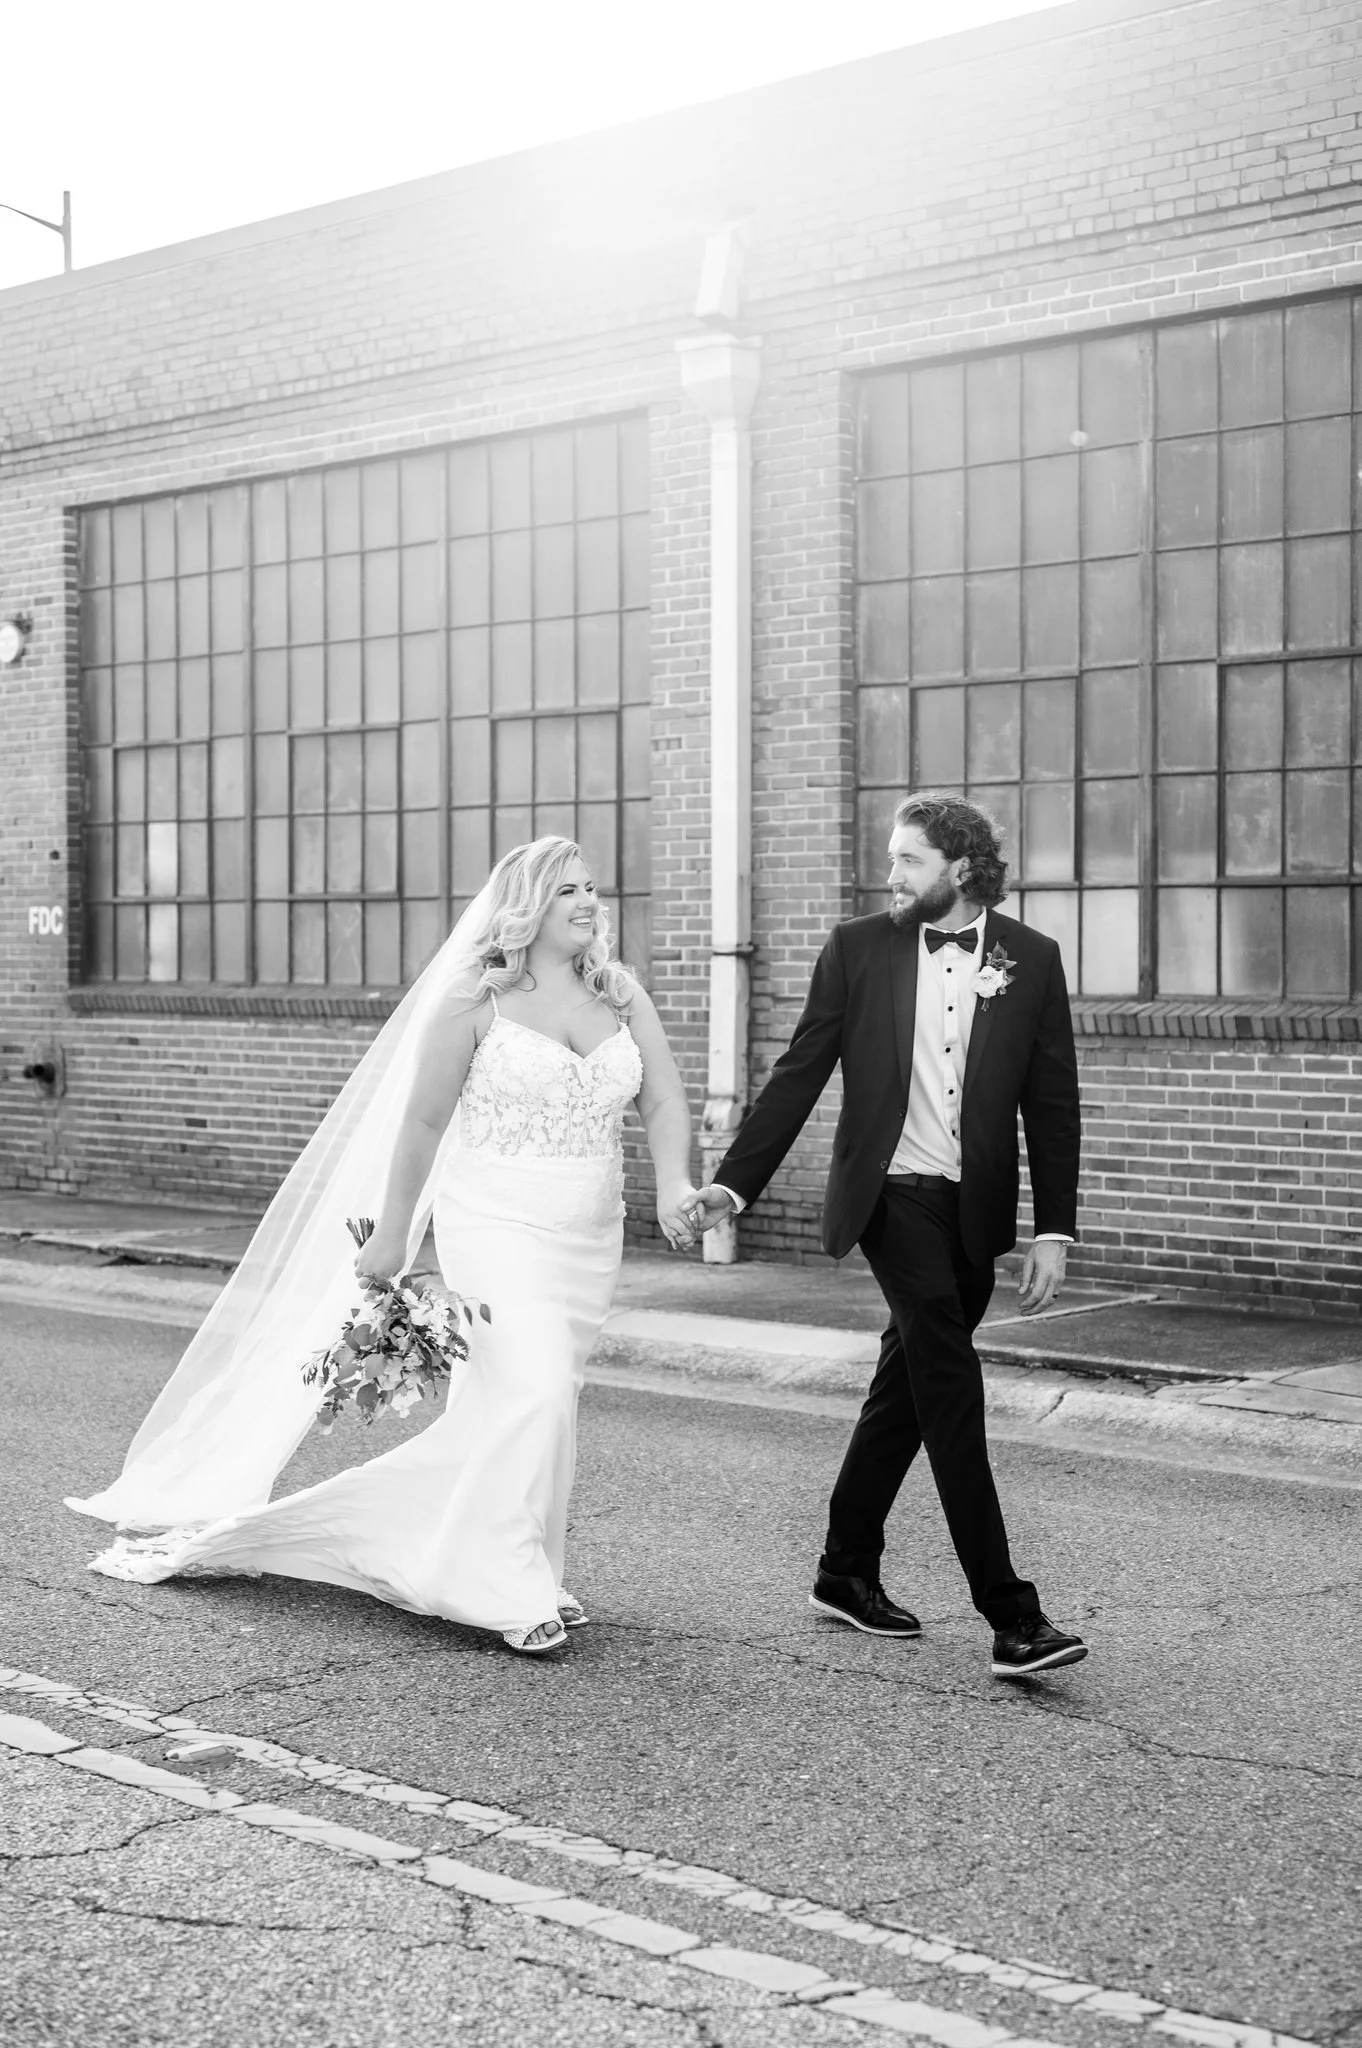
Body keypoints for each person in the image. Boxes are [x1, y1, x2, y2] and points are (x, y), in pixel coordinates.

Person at [68, 838, 699, 1656]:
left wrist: (680, 1185)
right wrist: (395, 1234)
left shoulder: (618, 993)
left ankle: (532, 1564)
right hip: (497, 1226)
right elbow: (424, 1124)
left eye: (591, 889)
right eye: (565, 891)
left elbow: (665, 1101)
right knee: (536, 1392)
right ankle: (500, 1587)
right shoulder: (478, 998)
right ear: (525, 908)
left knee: (537, 1402)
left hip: (588, 1232)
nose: (587, 903)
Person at [688, 792, 1088, 1680]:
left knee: (901, 1393)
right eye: (893, 858)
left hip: (974, 1212)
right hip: (889, 1201)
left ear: (962, 870)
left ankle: (844, 1572)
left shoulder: (1032, 958)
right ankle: (1012, 1616)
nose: (893, 873)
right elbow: (798, 1074)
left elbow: (1051, 1105)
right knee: (949, 1384)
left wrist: (1052, 1229)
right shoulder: (858, 950)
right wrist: (732, 1184)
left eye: (910, 859)